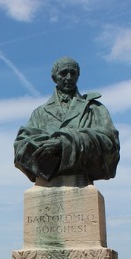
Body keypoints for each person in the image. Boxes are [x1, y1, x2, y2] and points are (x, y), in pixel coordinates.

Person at [13, 56, 120, 184]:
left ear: (78, 76)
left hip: (81, 181)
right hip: (47, 183)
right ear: (54, 77)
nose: (69, 77)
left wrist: (64, 143)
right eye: (63, 73)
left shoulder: (94, 108)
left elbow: (111, 144)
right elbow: (21, 146)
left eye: (73, 73)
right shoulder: (40, 113)